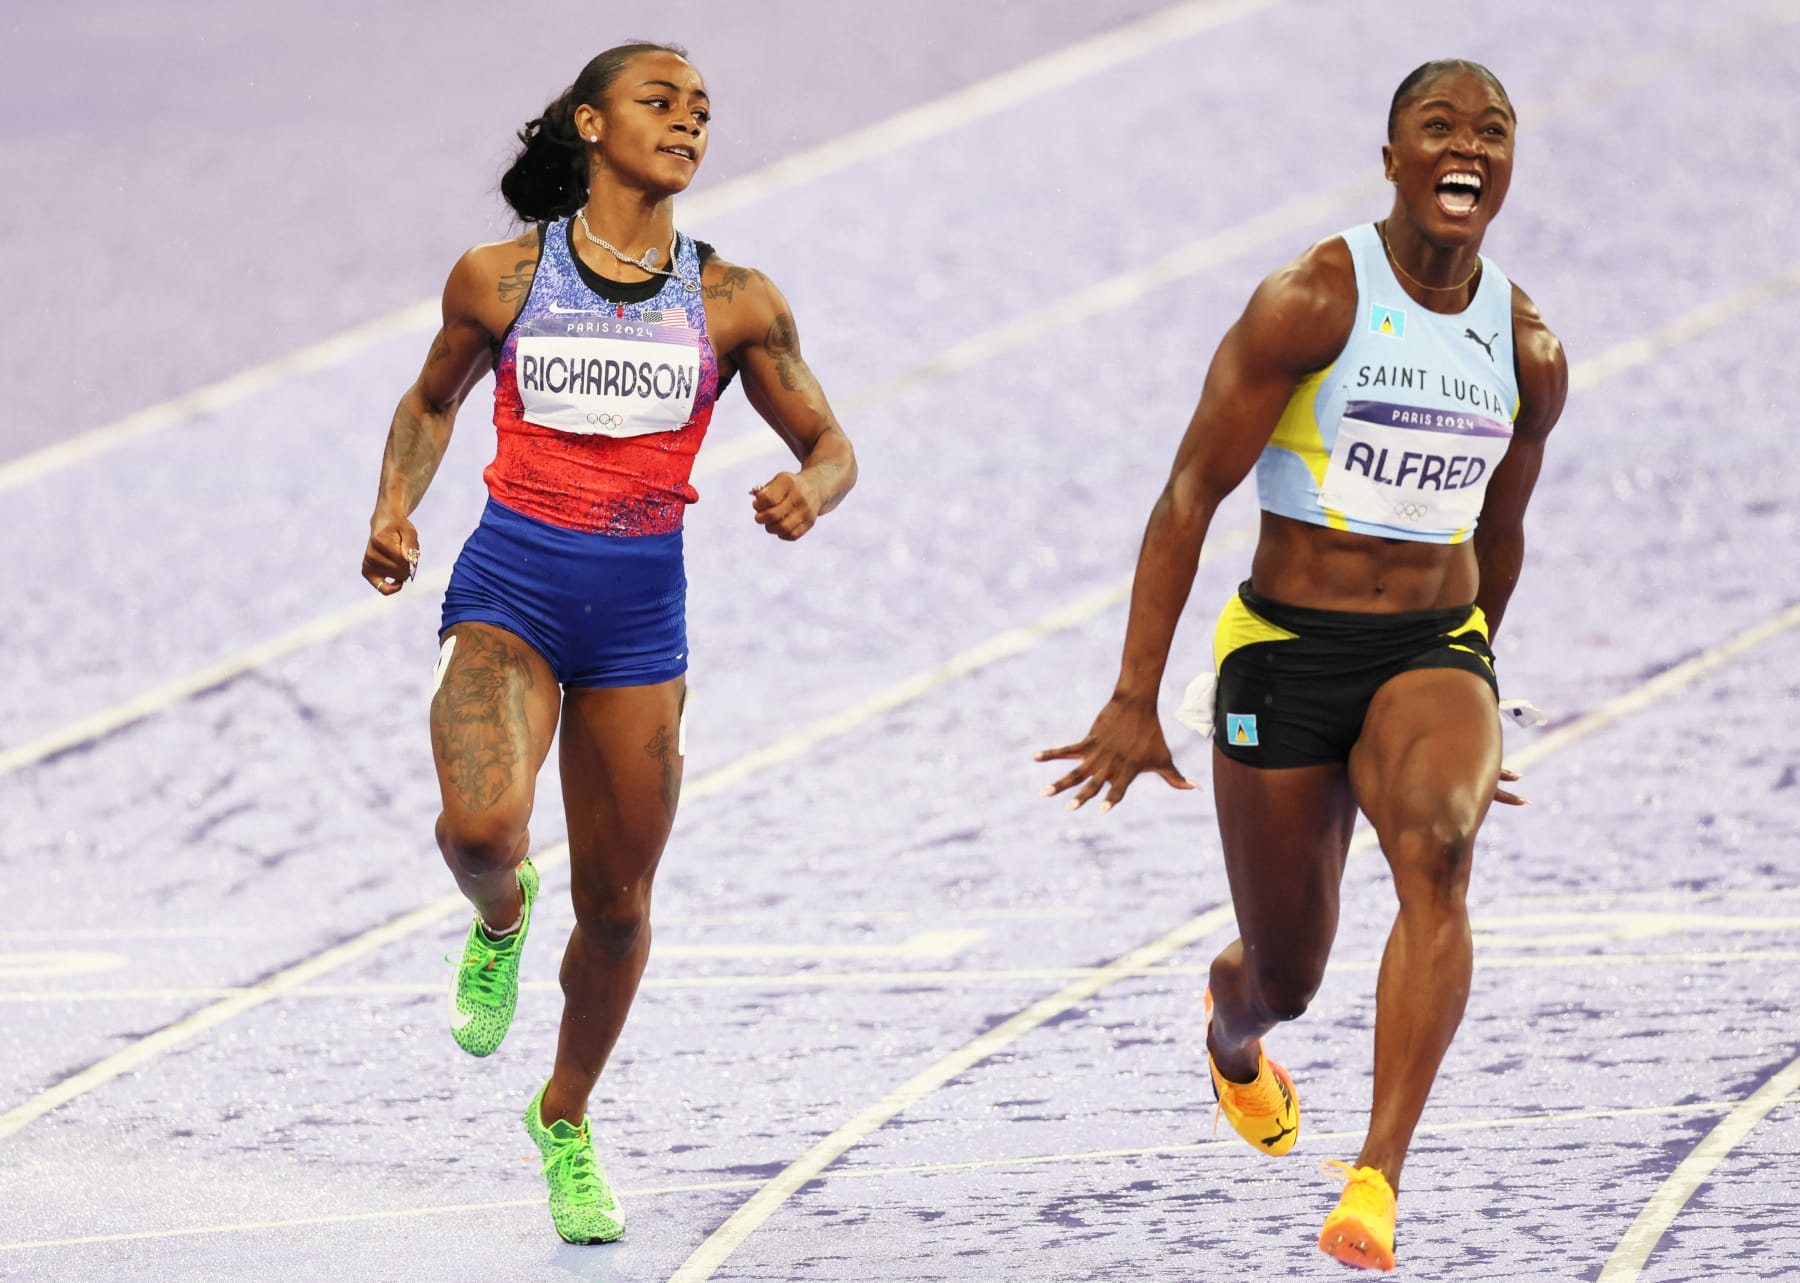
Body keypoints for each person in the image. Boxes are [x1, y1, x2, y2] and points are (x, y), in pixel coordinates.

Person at [1037, 59, 1566, 1272]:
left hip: (1430, 650)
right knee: (1286, 967)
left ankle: (1376, 1176)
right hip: (1286, 651)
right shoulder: (1313, 300)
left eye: (1491, 129)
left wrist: (1480, 687)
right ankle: (1232, 1037)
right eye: (1439, 126)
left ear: (1506, 166)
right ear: (1394, 160)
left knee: (1438, 846)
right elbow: (1189, 493)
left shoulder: (1528, 351)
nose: (1466, 145)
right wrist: (1134, 693)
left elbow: (1502, 532)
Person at [358, 42, 856, 1245]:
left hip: (639, 624)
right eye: (659, 101)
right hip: (510, 591)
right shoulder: (501, 277)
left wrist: (813, 491)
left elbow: (832, 442)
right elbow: (433, 401)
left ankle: (565, 1117)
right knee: (481, 829)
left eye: (701, 110)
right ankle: (496, 915)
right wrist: (394, 505)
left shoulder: (734, 299)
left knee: (622, 904)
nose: (688, 121)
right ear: (590, 123)